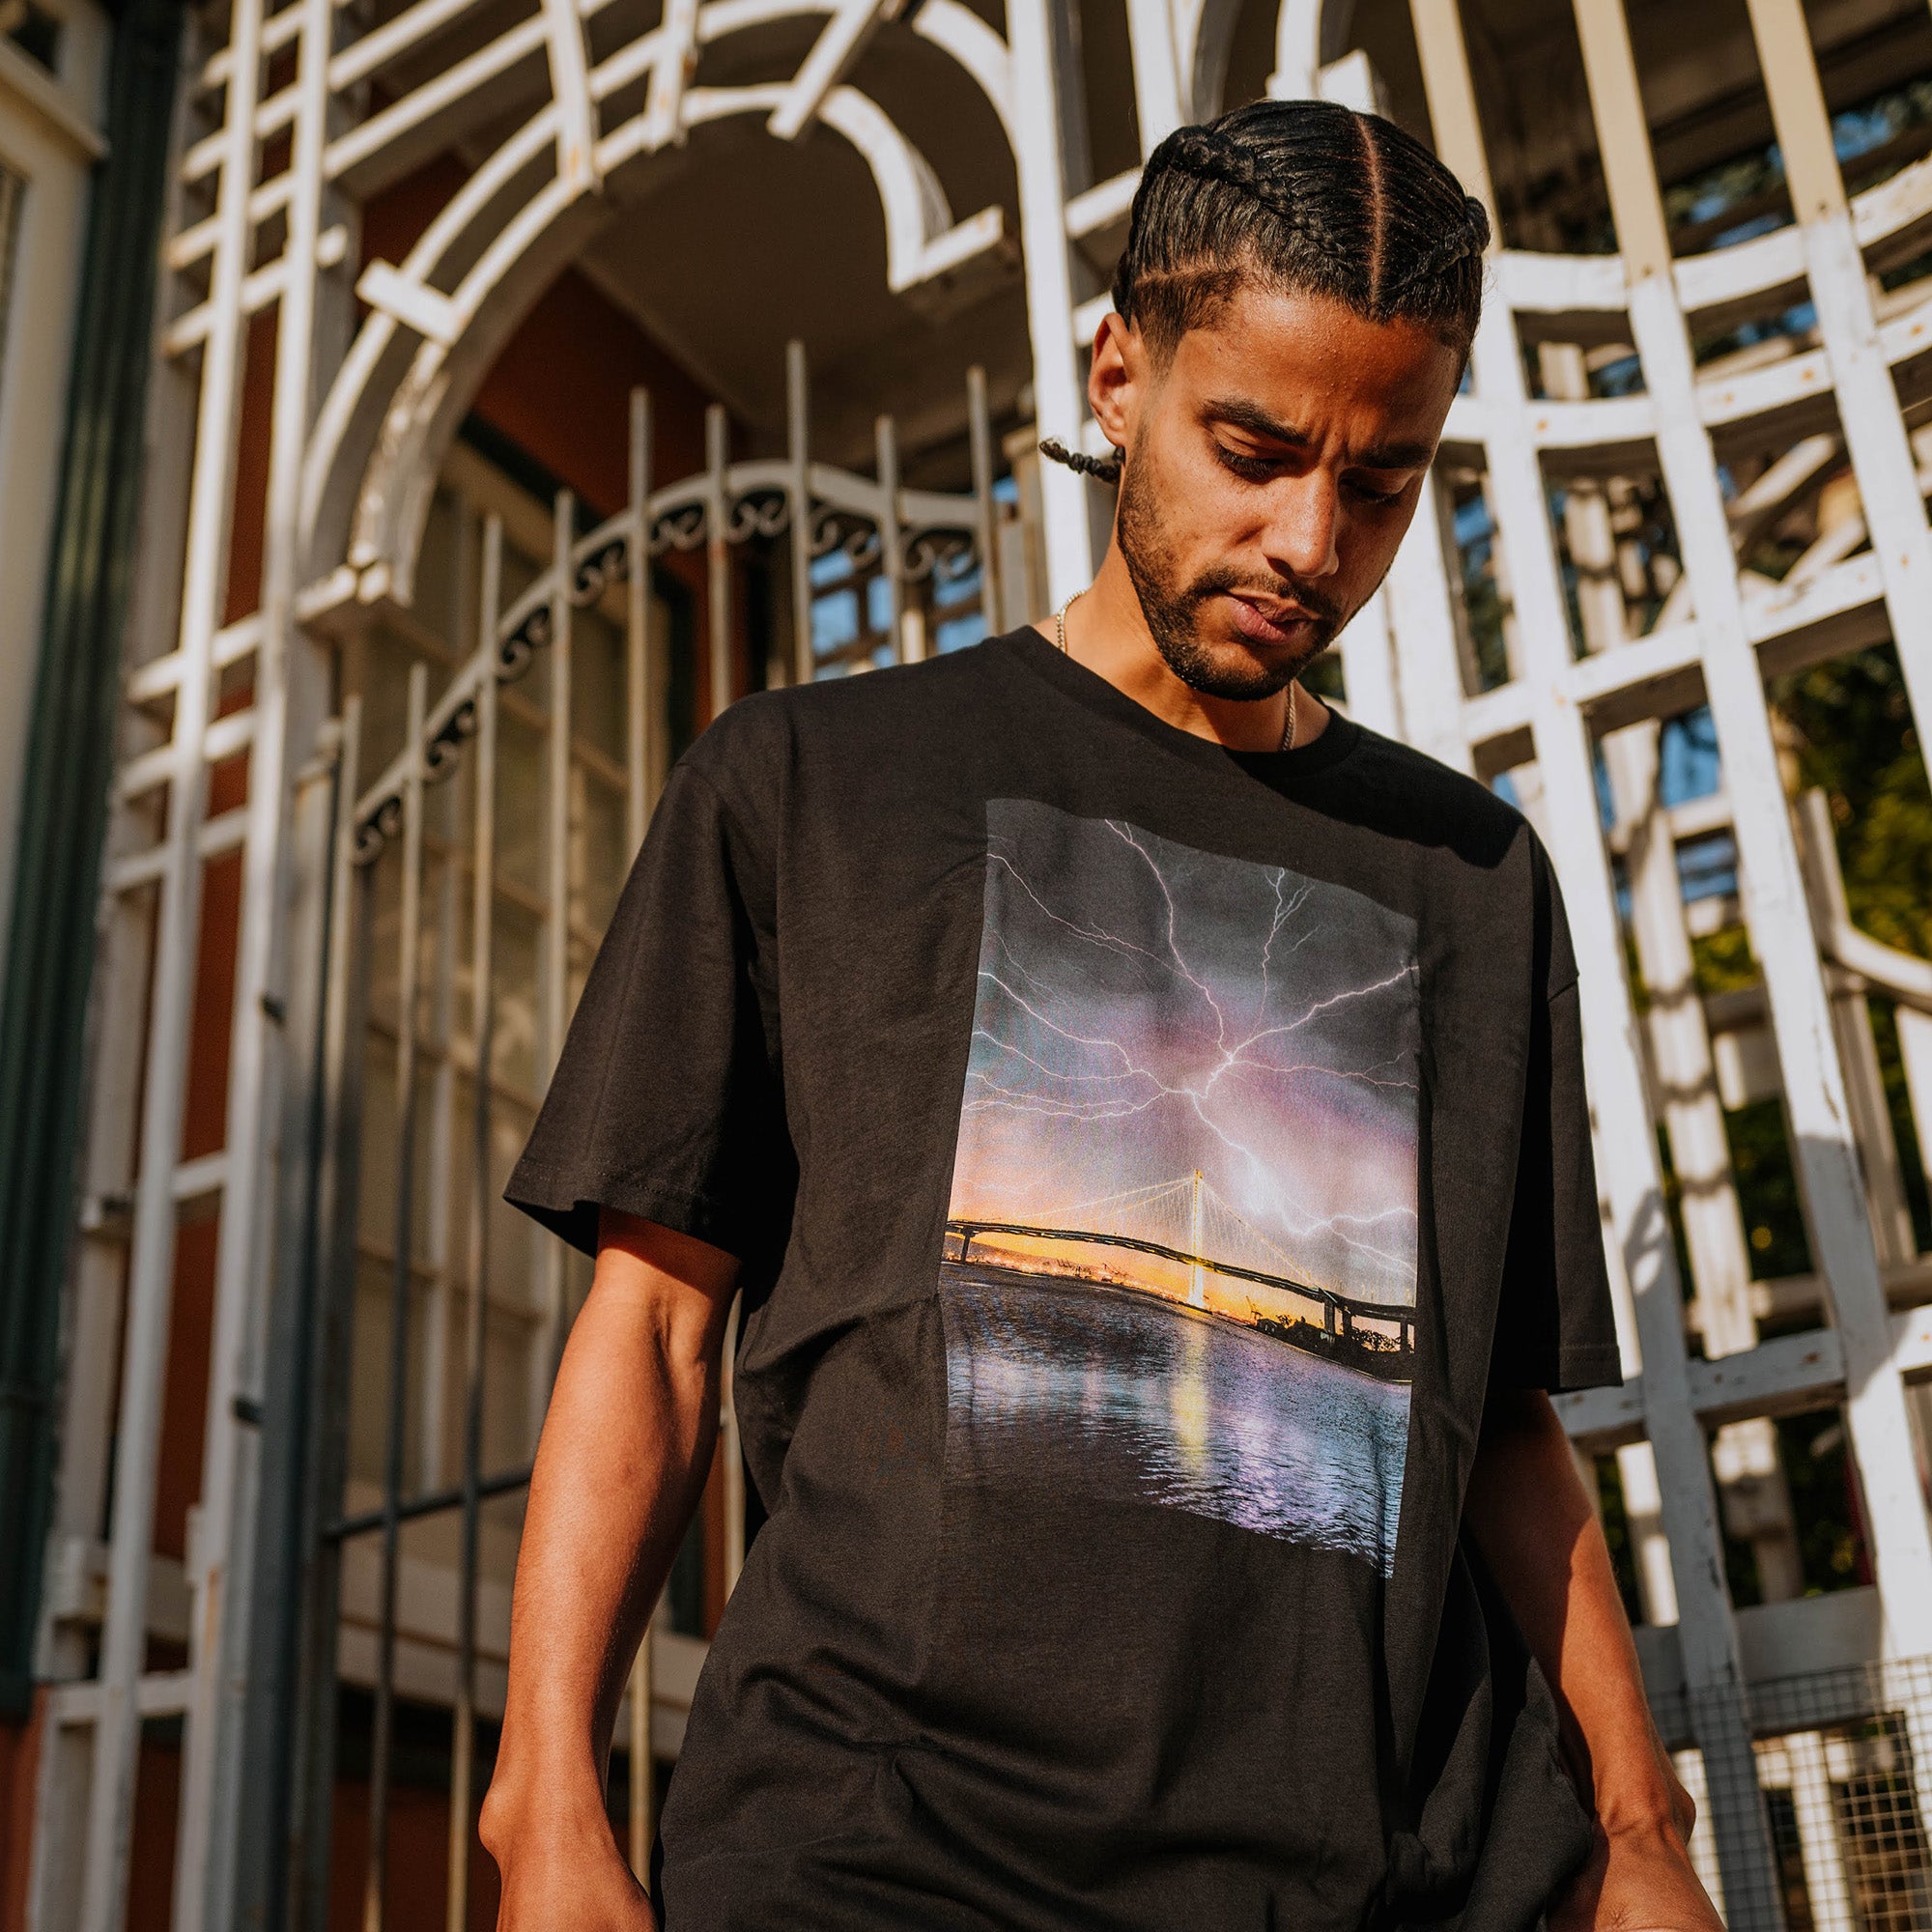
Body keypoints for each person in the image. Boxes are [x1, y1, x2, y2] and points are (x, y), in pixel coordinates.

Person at [478, 99, 1723, 1932]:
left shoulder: (1473, 878)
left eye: (1381, 480)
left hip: (1399, 1879)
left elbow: (1504, 1426)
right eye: (1256, 446)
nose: (1312, 537)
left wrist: (1636, 1834)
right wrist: (546, 1804)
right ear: (1117, 373)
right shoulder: (813, 785)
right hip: (883, 1863)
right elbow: (656, 1331)